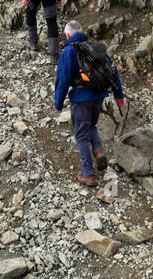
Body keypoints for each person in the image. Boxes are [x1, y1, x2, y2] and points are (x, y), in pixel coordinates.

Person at [54, 20, 125, 186]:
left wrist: (58, 104)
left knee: (81, 133)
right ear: (81, 31)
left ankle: (88, 173)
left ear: (68, 35)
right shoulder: (95, 47)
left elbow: (63, 79)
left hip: (81, 97)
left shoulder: (69, 51)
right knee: (91, 125)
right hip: (99, 95)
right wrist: (118, 95)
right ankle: (99, 152)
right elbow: (112, 71)